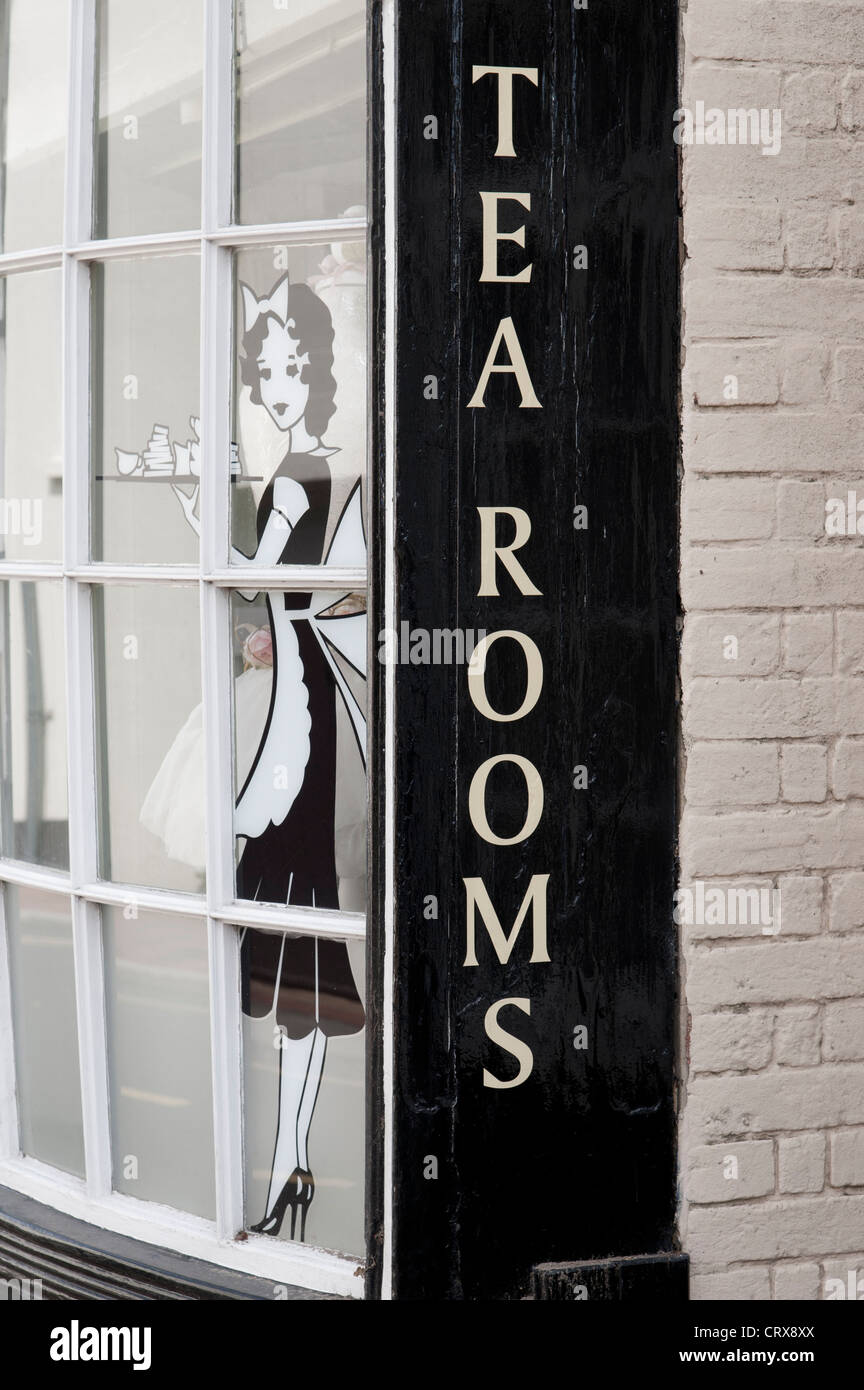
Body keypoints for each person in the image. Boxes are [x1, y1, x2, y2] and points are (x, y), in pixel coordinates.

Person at [172, 272, 366, 1240]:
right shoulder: (320, 473)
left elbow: (283, 584)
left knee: (285, 924)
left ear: (323, 374)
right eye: (264, 366)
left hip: (305, 726)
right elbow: (323, 599)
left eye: (291, 365)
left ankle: (291, 1159)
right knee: (300, 952)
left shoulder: (306, 475)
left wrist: (210, 528)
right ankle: (292, 1160)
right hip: (310, 710)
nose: (276, 382)